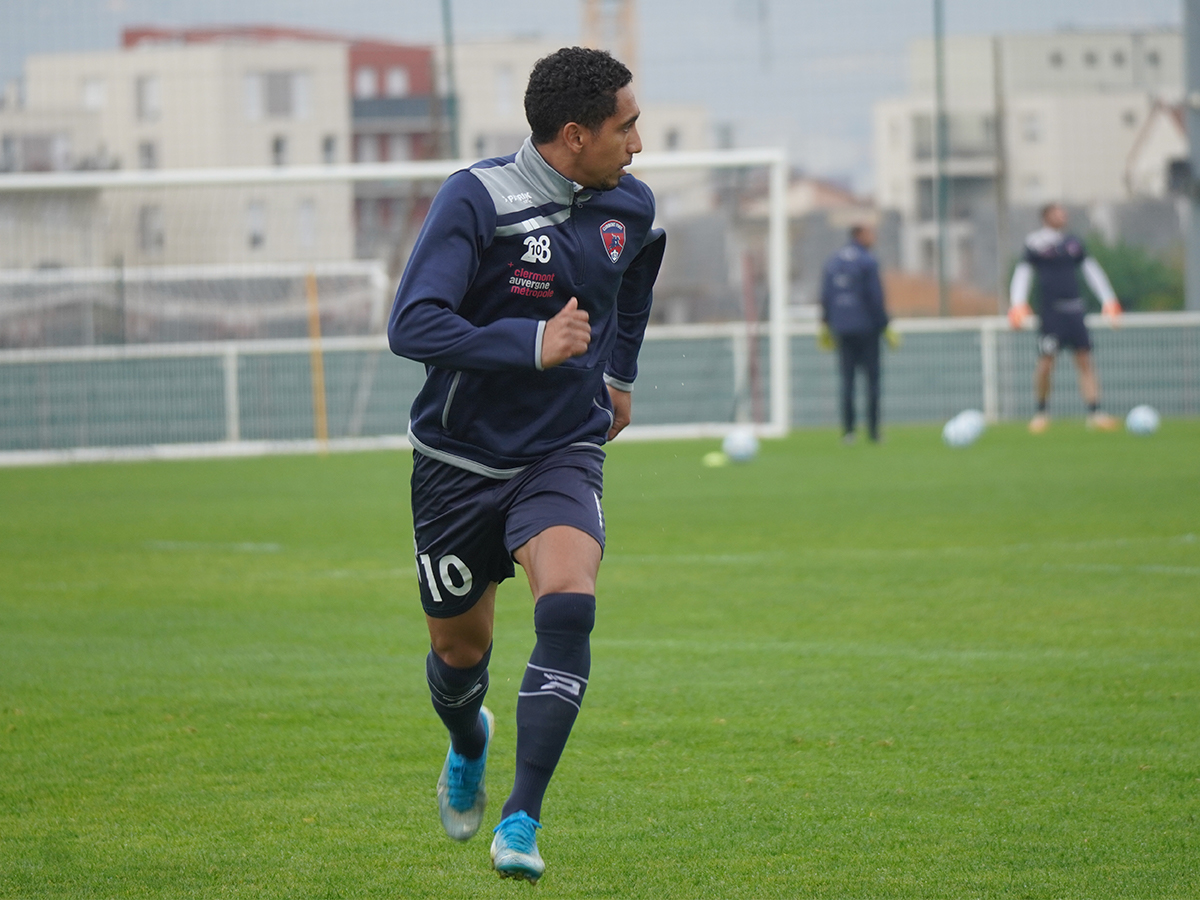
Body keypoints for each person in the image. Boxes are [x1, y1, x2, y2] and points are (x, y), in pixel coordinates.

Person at [387, 47, 664, 884]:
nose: (639, 145)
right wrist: (531, 343)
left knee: (570, 603)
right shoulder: (475, 199)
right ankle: (468, 742)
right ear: (574, 135)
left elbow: (637, 276)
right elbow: (412, 326)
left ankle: (522, 816)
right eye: (627, 126)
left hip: (562, 448)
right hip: (456, 462)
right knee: (459, 655)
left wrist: (617, 375)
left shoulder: (631, 206)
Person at [1008, 203, 1122, 433]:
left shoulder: (1073, 243)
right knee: (1046, 363)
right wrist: (1017, 304)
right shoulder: (1035, 243)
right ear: (1046, 216)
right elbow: (1023, 273)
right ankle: (1041, 413)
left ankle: (1095, 413)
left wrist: (1109, 300)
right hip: (1051, 313)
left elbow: (1092, 271)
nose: (1064, 215)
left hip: (1075, 310)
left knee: (1084, 360)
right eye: (1058, 212)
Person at [819, 223, 896, 444]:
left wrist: (825, 322)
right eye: (870, 233)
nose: (874, 237)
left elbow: (826, 294)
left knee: (847, 381)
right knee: (872, 381)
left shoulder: (833, 261)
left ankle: (848, 432)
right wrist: (885, 325)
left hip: (841, 328)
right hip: (867, 329)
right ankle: (873, 432)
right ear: (859, 235)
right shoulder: (867, 261)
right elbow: (875, 296)